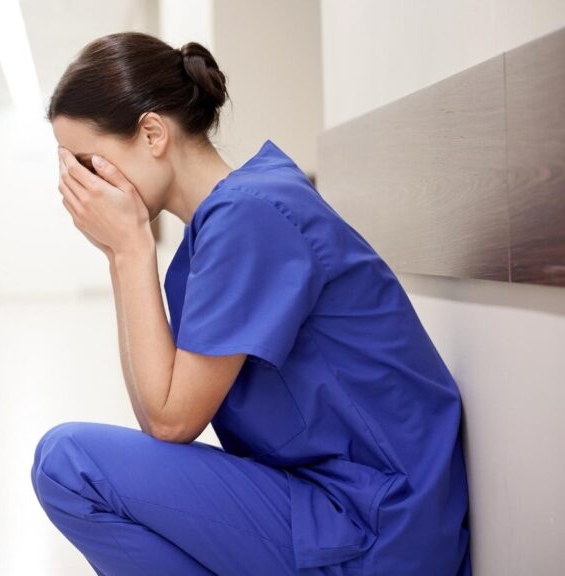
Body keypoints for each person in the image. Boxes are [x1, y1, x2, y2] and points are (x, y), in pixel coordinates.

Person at [30, 31, 471, 575]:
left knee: (67, 464)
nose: (79, 186)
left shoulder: (250, 215)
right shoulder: (220, 227)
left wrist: (130, 249)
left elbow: (170, 422)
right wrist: (118, 254)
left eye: (86, 163)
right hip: (332, 501)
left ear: (152, 133)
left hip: (375, 523)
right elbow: (155, 412)